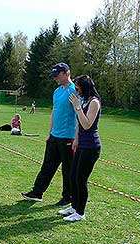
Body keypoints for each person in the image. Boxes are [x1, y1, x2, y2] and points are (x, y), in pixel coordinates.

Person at [21, 62, 77, 206]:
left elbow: (78, 114)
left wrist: (77, 137)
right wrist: (50, 133)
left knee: (67, 169)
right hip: (55, 135)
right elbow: (54, 111)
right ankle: (37, 192)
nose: (55, 79)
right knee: (48, 165)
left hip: (68, 136)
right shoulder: (57, 91)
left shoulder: (74, 90)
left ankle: (68, 197)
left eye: (57, 75)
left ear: (66, 73)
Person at [59, 75, 102, 222]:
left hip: (91, 147)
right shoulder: (85, 101)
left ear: (85, 87)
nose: (76, 91)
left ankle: (80, 213)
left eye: (77, 87)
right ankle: (74, 206)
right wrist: (76, 140)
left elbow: (87, 124)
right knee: (73, 176)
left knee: (81, 180)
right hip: (82, 145)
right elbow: (79, 125)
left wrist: (77, 107)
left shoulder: (94, 103)